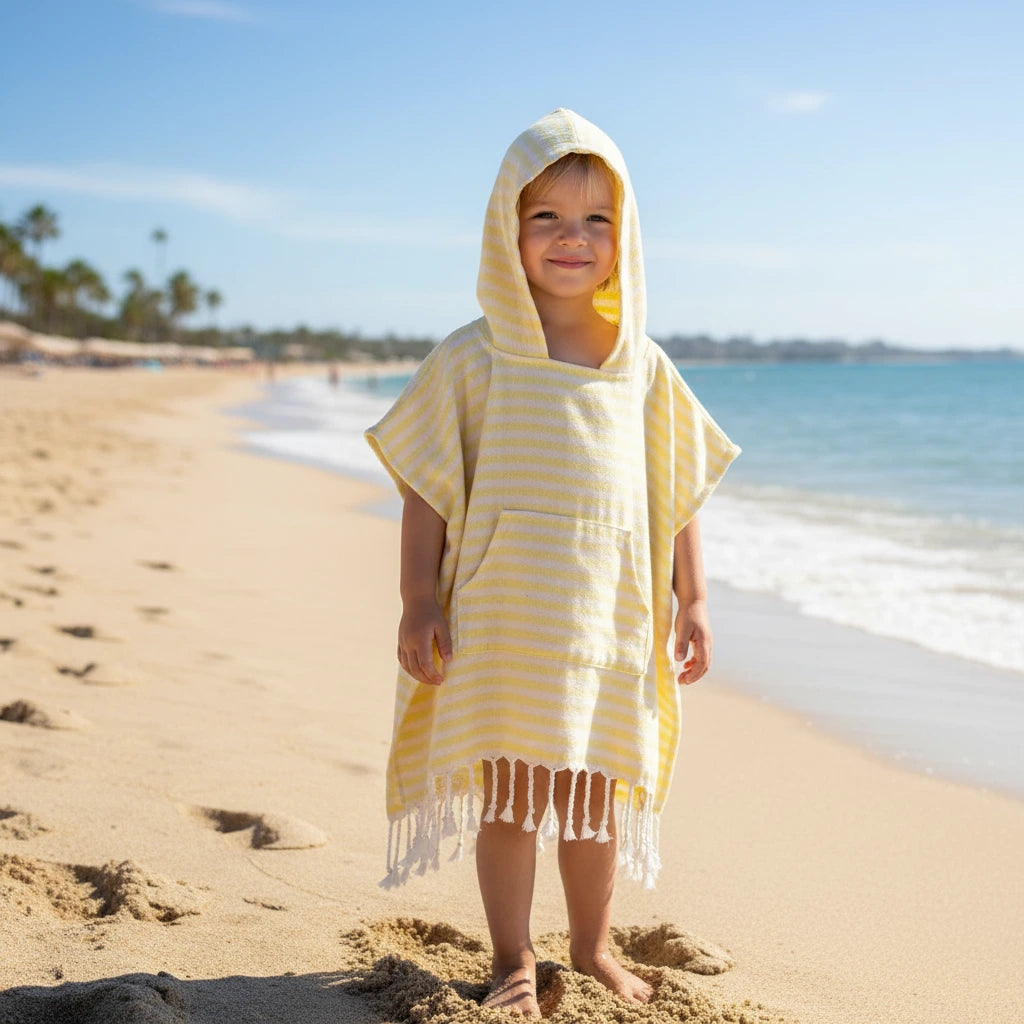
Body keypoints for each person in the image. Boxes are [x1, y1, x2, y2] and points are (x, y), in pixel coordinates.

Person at [365, 108, 739, 1015]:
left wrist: (692, 598)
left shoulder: (640, 368)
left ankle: (594, 945)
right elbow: (427, 483)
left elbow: (674, 493)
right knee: (511, 801)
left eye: (596, 220)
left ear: (625, 236)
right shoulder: (475, 355)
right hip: (504, 624)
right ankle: (511, 958)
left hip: (608, 626)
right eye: (547, 218)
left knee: (594, 798)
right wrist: (419, 599)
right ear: (509, 226)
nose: (573, 239)